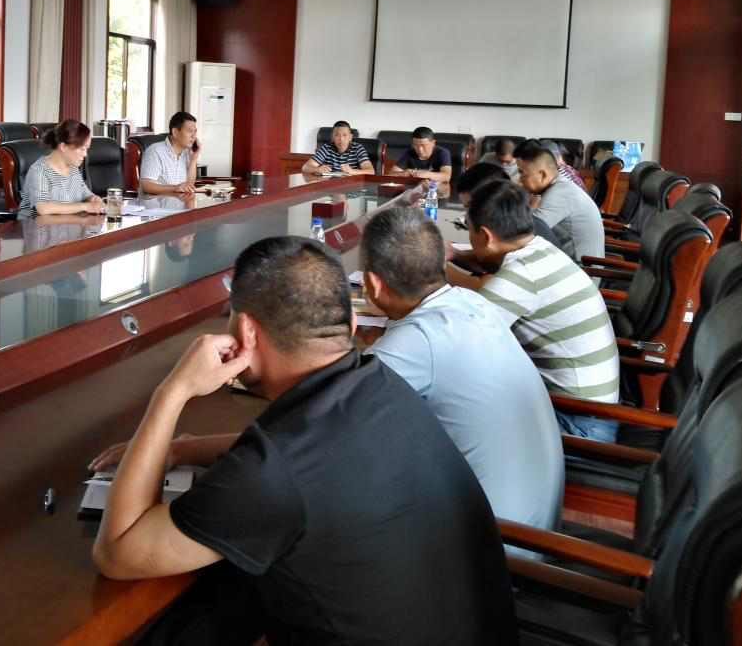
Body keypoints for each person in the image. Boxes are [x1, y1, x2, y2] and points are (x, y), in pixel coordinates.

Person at [89, 236, 517, 645]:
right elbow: (309, 460)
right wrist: (183, 449)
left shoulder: (273, 471)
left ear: (246, 333)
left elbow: (117, 553)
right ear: (351, 325)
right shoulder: (383, 385)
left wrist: (172, 391)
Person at [360, 206, 564, 535]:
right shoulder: (474, 303)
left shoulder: (417, 341)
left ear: (373, 283)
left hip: (498, 547)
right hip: (538, 529)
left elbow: (333, 416)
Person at [465, 179, 620, 442]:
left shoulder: (521, 276)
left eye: (468, 230)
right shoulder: (541, 249)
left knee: (457, 408)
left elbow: (459, 341)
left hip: (577, 424)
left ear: (486, 236)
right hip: (594, 411)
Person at [445, 163, 556, 291]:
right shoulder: (513, 221)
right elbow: (489, 261)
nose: (468, 214)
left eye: (471, 206)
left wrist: (435, 268)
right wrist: (453, 253)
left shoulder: (528, 232)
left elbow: (486, 287)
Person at [517, 147, 605, 264]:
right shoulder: (560, 186)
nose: (519, 180)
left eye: (522, 173)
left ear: (542, 175)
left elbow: (528, 233)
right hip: (574, 262)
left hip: (582, 268)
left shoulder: (560, 193)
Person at [18, 119, 106, 218]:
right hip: (35, 226)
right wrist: (86, 206)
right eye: (82, 149)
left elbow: (86, 194)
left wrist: (93, 199)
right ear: (63, 147)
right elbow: (43, 208)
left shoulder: (73, 169)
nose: (85, 154)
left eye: (87, 149)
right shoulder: (39, 170)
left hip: (68, 224)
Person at [140, 111, 201, 195]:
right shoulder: (155, 151)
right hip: (158, 203)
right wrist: (176, 188)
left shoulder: (187, 153)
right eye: (190, 131)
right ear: (175, 132)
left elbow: (188, 187)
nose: (194, 136)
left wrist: (193, 159)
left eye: (195, 131)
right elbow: (147, 186)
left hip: (180, 202)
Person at [301, 121, 374, 175]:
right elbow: (305, 168)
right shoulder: (326, 148)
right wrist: (318, 169)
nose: (341, 139)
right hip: (331, 186)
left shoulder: (358, 148)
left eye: (344, 135)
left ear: (350, 137)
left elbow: (371, 171)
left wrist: (352, 171)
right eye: (337, 135)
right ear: (332, 137)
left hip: (352, 186)